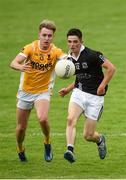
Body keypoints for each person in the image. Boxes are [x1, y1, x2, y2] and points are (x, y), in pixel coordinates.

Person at [10, 19, 66, 162]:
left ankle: (47, 142)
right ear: (39, 34)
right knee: (21, 128)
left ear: (53, 36)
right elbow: (13, 62)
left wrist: (70, 62)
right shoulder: (30, 48)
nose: (47, 38)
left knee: (42, 118)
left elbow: (66, 59)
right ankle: (20, 147)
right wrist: (20, 67)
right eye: (44, 35)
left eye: (50, 36)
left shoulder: (55, 51)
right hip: (25, 92)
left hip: (43, 91)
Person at [59, 28, 116, 163]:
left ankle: (100, 139)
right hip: (78, 93)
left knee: (88, 135)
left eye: (75, 42)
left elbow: (111, 68)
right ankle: (70, 150)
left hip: (95, 98)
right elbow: (80, 77)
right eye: (69, 42)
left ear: (81, 41)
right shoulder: (69, 59)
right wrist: (68, 89)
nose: (72, 45)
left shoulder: (92, 55)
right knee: (70, 119)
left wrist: (102, 86)